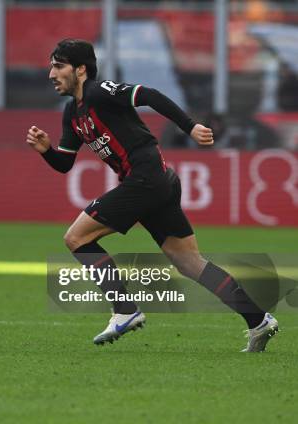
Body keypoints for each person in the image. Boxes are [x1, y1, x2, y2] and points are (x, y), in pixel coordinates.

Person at [26, 38, 279, 352]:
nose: (51, 73)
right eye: (51, 65)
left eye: (58, 65)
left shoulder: (98, 91)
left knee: (76, 238)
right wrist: (46, 150)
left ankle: (124, 310)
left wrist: (190, 126)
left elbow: (149, 95)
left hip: (146, 178)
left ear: (80, 70)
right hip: (157, 181)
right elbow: (64, 164)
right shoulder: (72, 113)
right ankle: (258, 320)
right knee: (189, 262)